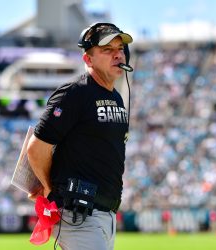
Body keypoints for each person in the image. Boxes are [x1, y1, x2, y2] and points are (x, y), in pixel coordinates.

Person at [26, 22, 133, 250]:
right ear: (88, 59)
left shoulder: (118, 98)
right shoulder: (74, 93)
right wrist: (49, 188)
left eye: (120, 49)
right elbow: (37, 147)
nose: (117, 55)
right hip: (79, 217)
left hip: (106, 215)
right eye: (107, 50)